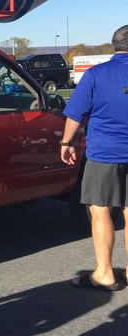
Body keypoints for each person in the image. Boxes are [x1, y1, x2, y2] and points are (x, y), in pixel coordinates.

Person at [62, 25, 128, 291]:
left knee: (100, 209)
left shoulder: (96, 75)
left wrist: (67, 142)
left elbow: (75, 115)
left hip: (104, 154)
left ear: (115, 45)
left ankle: (104, 273)